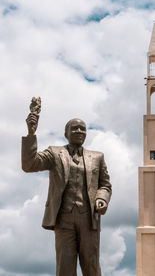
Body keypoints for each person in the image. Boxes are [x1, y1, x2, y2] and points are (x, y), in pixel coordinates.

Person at [21, 113, 112, 276]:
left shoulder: (98, 157)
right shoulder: (55, 153)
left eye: (83, 129)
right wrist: (31, 134)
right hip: (63, 218)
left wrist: (101, 199)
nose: (79, 131)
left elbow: (105, 185)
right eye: (75, 128)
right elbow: (30, 165)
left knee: (91, 264)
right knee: (65, 267)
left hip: (89, 218)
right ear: (66, 133)